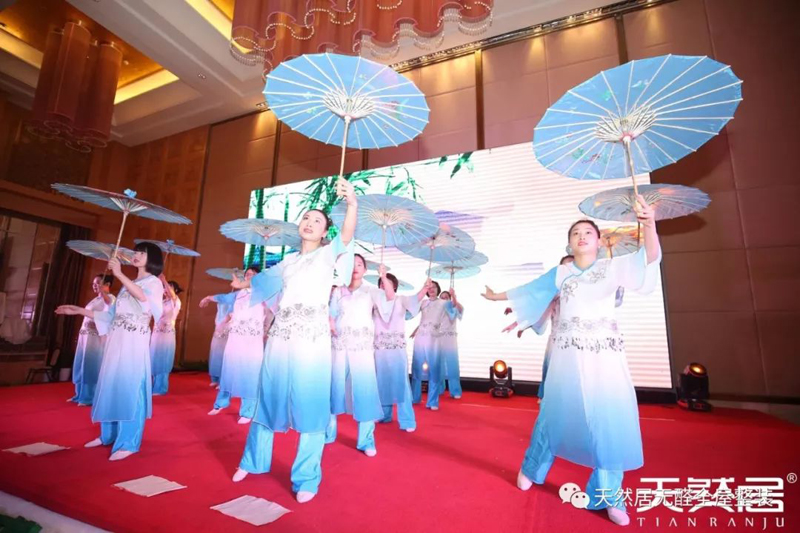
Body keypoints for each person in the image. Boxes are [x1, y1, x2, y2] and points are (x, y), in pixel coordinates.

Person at [482, 196, 661, 527]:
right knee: (552, 414)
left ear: (599, 240)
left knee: (608, 422)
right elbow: (529, 290)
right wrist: (495, 296)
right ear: (569, 243)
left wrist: (649, 224)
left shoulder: (613, 267)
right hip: (567, 358)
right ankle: (532, 469)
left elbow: (648, 259)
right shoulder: (561, 272)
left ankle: (608, 495)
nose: (582, 236)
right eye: (576, 232)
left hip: (604, 360)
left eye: (588, 232)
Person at [232, 179, 358, 504]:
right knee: (268, 396)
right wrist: (245, 284)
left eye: (317, 221)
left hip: (311, 342)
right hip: (280, 338)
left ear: (325, 231)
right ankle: (253, 461)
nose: (309, 223)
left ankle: (306, 478)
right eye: (306, 218)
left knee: (311, 404)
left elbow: (346, 235)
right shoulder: (287, 262)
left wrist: (352, 204)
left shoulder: (328, 255)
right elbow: (263, 286)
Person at [56, 242, 164, 461]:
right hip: (117, 340)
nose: (136, 255)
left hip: (134, 342)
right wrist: (79, 310)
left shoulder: (153, 282)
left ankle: (128, 441)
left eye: (142, 253)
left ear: (152, 258)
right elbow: (110, 316)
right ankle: (108, 435)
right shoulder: (127, 285)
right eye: (135, 252)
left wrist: (119, 274)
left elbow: (144, 299)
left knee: (130, 388)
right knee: (110, 384)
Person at [325, 255, 394, 457]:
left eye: (359, 264)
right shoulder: (338, 291)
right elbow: (331, 314)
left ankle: (366, 440)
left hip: (361, 348)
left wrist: (384, 277)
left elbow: (390, 298)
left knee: (365, 391)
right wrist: (330, 322)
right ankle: (328, 433)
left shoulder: (371, 290)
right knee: (333, 388)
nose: (355, 267)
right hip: (339, 346)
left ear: (365, 270)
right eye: (352, 264)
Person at [200, 267, 265, 424]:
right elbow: (223, 298)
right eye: (247, 274)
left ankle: (248, 411)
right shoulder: (238, 294)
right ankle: (221, 403)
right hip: (235, 339)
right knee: (229, 370)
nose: (248, 276)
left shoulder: (263, 293)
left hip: (252, 341)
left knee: (249, 373)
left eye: (252, 275)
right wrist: (208, 297)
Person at [374, 274, 431, 432]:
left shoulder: (401, 299)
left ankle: (407, 420)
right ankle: (384, 415)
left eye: (387, 283)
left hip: (396, 350)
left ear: (394, 286)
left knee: (401, 384)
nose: (384, 285)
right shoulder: (375, 302)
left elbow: (415, 299)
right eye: (381, 283)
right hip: (379, 349)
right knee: (381, 382)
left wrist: (424, 288)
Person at [68, 274, 115, 406]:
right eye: (94, 283)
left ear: (107, 284)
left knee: (91, 365)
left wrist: (103, 292)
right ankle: (79, 395)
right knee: (81, 364)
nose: (94, 285)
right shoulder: (95, 300)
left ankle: (89, 397)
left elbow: (109, 308)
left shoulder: (111, 298)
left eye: (98, 283)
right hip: (85, 336)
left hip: (95, 338)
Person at [410, 281, 448, 409]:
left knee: (434, 370)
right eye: (429, 288)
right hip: (420, 338)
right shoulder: (423, 302)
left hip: (434, 339)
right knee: (416, 369)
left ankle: (432, 402)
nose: (431, 289)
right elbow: (412, 313)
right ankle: (415, 397)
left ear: (438, 289)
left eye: (434, 287)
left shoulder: (443, 303)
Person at [150, 279, 182, 395]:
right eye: (165, 287)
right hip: (156, 333)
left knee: (163, 358)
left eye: (169, 287)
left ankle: (161, 388)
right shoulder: (161, 302)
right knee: (154, 357)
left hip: (167, 334)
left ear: (175, 290)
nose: (166, 289)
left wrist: (163, 279)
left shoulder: (176, 301)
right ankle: (153, 386)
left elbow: (172, 296)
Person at [437, 288, 464, 400]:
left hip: (450, 339)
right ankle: (439, 389)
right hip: (438, 339)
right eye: (442, 298)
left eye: (446, 297)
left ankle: (455, 390)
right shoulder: (437, 310)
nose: (444, 300)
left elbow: (460, 308)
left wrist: (454, 296)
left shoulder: (454, 308)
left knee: (452, 365)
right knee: (439, 365)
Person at [205, 289, 235, 388]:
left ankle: (223, 381)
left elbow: (231, 315)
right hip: (218, 329)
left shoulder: (237, 299)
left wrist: (223, 323)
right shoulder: (222, 297)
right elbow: (211, 299)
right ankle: (215, 378)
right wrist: (206, 299)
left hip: (228, 328)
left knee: (225, 355)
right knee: (215, 354)